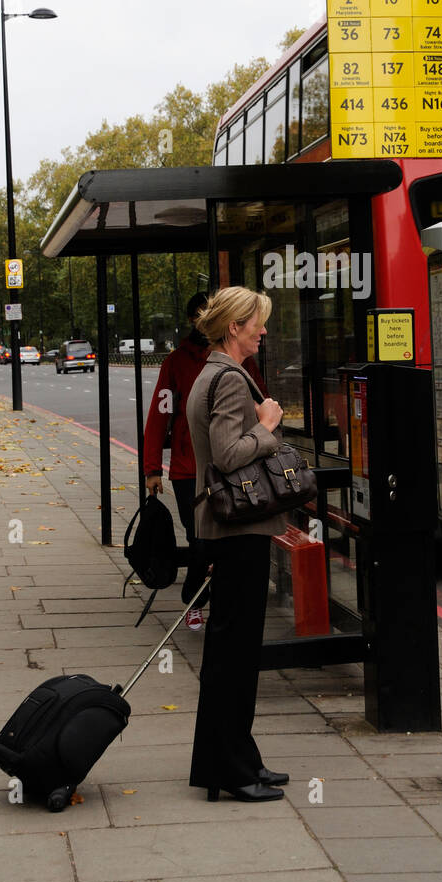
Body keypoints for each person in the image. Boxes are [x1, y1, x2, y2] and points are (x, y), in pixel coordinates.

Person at [185, 286, 289, 803]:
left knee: (233, 651)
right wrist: (268, 426)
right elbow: (228, 456)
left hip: (226, 529)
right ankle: (230, 769)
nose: (263, 330)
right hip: (238, 530)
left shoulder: (213, 373)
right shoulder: (227, 381)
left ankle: (235, 760)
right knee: (234, 652)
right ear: (234, 328)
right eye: (257, 323)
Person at [144, 293, 211, 628]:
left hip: (229, 467)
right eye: (201, 315)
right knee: (198, 539)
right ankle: (193, 599)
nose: (207, 320)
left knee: (222, 540)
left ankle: (207, 597)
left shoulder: (236, 356)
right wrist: (152, 468)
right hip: (187, 471)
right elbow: (159, 416)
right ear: (191, 321)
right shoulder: (176, 362)